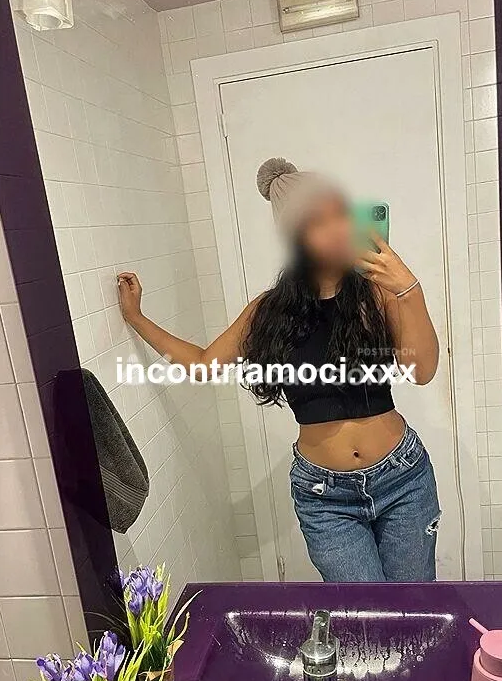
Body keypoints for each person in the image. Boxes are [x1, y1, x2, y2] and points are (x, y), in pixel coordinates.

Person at [118, 157, 440, 582]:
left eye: (341, 214)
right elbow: (202, 365)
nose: (337, 228)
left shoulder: (377, 294)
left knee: (414, 607)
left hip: (403, 480)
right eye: (318, 221)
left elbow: (422, 371)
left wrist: (408, 290)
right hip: (325, 497)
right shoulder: (269, 311)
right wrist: (137, 318)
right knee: (361, 610)